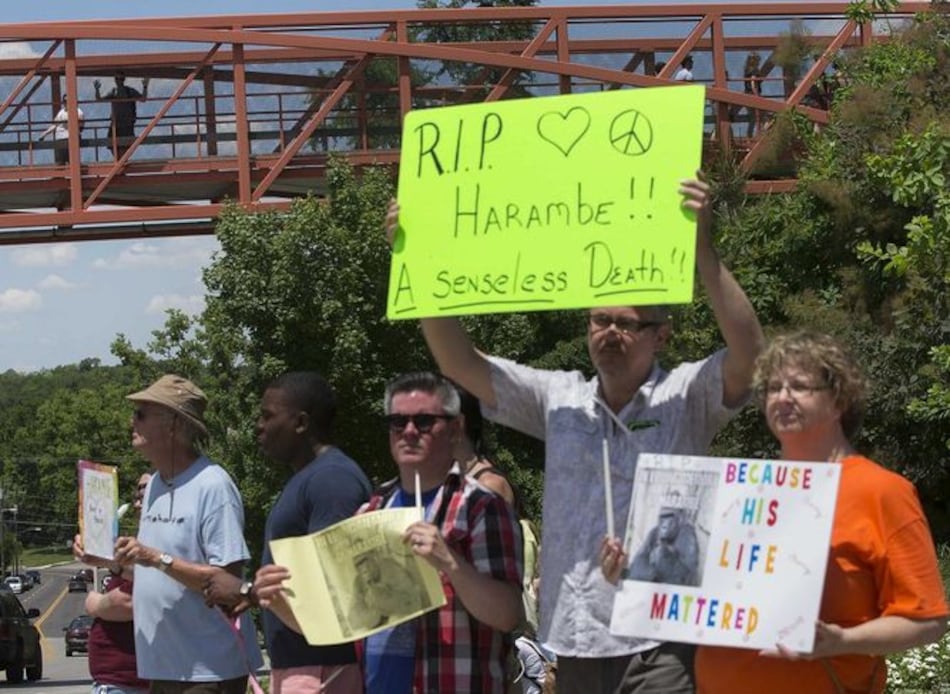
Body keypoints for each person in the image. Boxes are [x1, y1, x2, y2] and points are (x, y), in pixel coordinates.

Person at [388, 174, 764, 693]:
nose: (610, 333)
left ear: (661, 335)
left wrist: (703, 250)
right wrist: (420, 265)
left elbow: (751, 355)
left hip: (663, 640)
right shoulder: (557, 397)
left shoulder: (687, 395)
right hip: (576, 637)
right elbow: (459, 361)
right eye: (599, 320)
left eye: (627, 323)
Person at [690, 331, 949, 692]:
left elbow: (927, 621)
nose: (782, 397)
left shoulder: (881, 491)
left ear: (839, 401)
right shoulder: (743, 490)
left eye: (799, 386)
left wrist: (840, 641)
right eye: (773, 387)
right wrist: (631, 574)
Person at [255, 371, 524, 693]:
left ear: (454, 429)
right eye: (397, 422)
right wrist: (278, 601)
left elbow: (508, 614)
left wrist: (450, 562)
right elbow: (339, 624)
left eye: (424, 421)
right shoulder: (373, 510)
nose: (409, 431)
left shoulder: (480, 507)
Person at [202, 371, 371, 694]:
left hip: (325, 668)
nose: (258, 425)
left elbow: (334, 590)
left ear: (301, 423)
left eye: (268, 415)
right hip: (306, 667)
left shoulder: (332, 480)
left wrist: (246, 590)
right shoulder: (311, 478)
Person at [113, 374, 262, 694]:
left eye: (141, 413)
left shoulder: (213, 485)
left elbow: (230, 585)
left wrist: (155, 557)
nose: (132, 421)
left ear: (173, 425)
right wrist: (109, 559)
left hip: (206, 670)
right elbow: (153, 573)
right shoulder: (153, 484)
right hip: (165, 667)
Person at [83, 473, 152, 694]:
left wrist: (95, 604)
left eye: (145, 491)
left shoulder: (158, 546)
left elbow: (131, 602)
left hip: (129, 683)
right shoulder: (140, 543)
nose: (137, 502)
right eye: (137, 494)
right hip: (121, 682)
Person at [628, 503, 699, 586]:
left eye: (669, 518)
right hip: (654, 587)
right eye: (663, 518)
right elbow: (636, 568)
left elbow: (688, 577)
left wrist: (662, 558)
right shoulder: (654, 532)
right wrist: (653, 574)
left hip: (674, 588)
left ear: (679, 519)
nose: (664, 525)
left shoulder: (686, 533)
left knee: (660, 554)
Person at [94, 71, 148, 158]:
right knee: (111, 142)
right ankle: (119, 160)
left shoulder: (130, 91)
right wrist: (97, 90)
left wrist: (145, 87)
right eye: (117, 79)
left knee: (126, 144)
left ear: (124, 80)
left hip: (127, 123)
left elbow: (143, 99)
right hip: (116, 123)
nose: (119, 81)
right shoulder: (113, 92)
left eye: (121, 79)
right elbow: (99, 100)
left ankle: (122, 160)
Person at [38, 94, 83, 165]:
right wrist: (45, 133)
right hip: (60, 139)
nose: (66, 103)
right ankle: (61, 174)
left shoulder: (78, 112)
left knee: (72, 161)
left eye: (68, 101)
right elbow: (55, 125)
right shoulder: (61, 112)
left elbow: (81, 126)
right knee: (60, 162)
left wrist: (77, 133)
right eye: (64, 101)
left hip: (69, 139)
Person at [742, 52, 762, 138]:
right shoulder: (755, 71)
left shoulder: (746, 70)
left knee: (752, 118)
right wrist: (756, 95)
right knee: (763, 117)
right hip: (753, 95)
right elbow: (753, 82)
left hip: (747, 95)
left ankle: (749, 136)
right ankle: (760, 136)